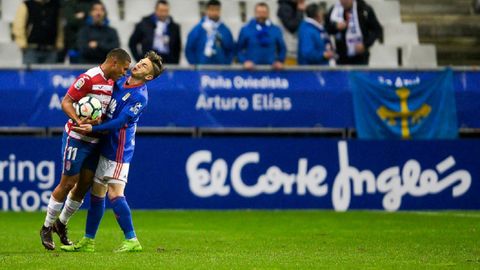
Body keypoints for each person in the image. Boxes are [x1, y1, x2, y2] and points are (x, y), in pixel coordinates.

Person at [61, 51, 164, 253]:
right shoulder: (121, 82)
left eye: (144, 67)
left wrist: (94, 129)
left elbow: (119, 122)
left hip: (118, 149)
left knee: (115, 193)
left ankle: (132, 239)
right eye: (140, 62)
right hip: (104, 144)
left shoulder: (139, 97)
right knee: (97, 194)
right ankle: (88, 241)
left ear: (149, 77)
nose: (138, 66)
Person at [39, 48, 131, 251]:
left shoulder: (113, 84)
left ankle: (61, 224)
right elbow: (66, 101)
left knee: (84, 185)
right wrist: (78, 119)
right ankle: (46, 227)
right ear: (114, 62)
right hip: (77, 138)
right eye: (124, 69)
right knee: (68, 181)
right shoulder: (88, 78)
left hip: (96, 141)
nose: (125, 73)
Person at [325, 0, 382, 65]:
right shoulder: (334, 11)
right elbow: (326, 29)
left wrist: (365, 45)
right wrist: (335, 26)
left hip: (361, 58)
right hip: (341, 58)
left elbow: (377, 30)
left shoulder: (364, 9)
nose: (344, 2)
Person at [237, 2, 286, 70]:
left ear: (268, 13)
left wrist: (280, 61)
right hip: (251, 72)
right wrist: (244, 61)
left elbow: (282, 49)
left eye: (264, 12)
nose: (261, 15)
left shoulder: (276, 30)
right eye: (259, 12)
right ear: (255, 13)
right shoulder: (246, 30)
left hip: (272, 72)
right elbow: (238, 49)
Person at [12, 0, 64, 64]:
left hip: (50, 49)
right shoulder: (27, 5)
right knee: (31, 73)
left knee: (49, 73)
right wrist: (22, 44)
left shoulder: (56, 6)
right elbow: (19, 25)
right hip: (31, 49)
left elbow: (59, 25)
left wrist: (59, 43)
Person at [185, 0, 235, 65]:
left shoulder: (225, 30)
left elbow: (231, 49)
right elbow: (189, 48)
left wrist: (226, 64)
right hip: (201, 69)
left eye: (217, 10)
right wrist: (195, 65)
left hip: (220, 69)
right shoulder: (198, 29)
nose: (214, 12)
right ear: (207, 10)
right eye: (212, 10)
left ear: (220, 11)